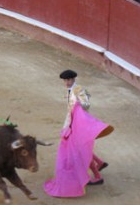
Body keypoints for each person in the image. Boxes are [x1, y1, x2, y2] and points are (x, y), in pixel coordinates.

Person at [44, 70, 112, 198]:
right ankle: (99, 165)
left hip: (79, 125)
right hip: (73, 124)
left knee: (80, 150)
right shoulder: (70, 90)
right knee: (80, 149)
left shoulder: (79, 89)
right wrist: (66, 126)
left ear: (74, 79)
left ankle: (98, 175)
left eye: (68, 80)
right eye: (65, 81)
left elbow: (87, 105)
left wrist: (78, 103)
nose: (66, 83)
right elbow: (69, 112)